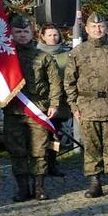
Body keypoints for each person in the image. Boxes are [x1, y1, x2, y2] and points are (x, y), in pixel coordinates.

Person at [65, 12, 108, 198]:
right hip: (87, 106)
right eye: (93, 26)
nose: (98, 29)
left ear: (105, 28)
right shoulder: (78, 52)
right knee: (91, 146)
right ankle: (94, 182)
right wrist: (74, 107)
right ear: (87, 29)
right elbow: (69, 82)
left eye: (101, 26)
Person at [0, 16, 62, 202]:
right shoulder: (4, 56)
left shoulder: (43, 57)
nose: (22, 35)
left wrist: (54, 104)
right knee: (17, 151)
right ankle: (22, 189)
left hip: (38, 110)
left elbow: (55, 83)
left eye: (26, 31)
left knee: (39, 151)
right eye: (18, 32)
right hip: (13, 111)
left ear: (32, 33)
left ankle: (39, 188)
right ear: (11, 33)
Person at [37, 23, 71, 176]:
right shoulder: (35, 54)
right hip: (39, 101)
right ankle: (40, 165)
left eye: (55, 34)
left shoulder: (66, 54)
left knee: (54, 134)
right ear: (42, 36)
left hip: (59, 102)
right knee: (40, 134)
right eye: (49, 35)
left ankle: (52, 162)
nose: (53, 38)